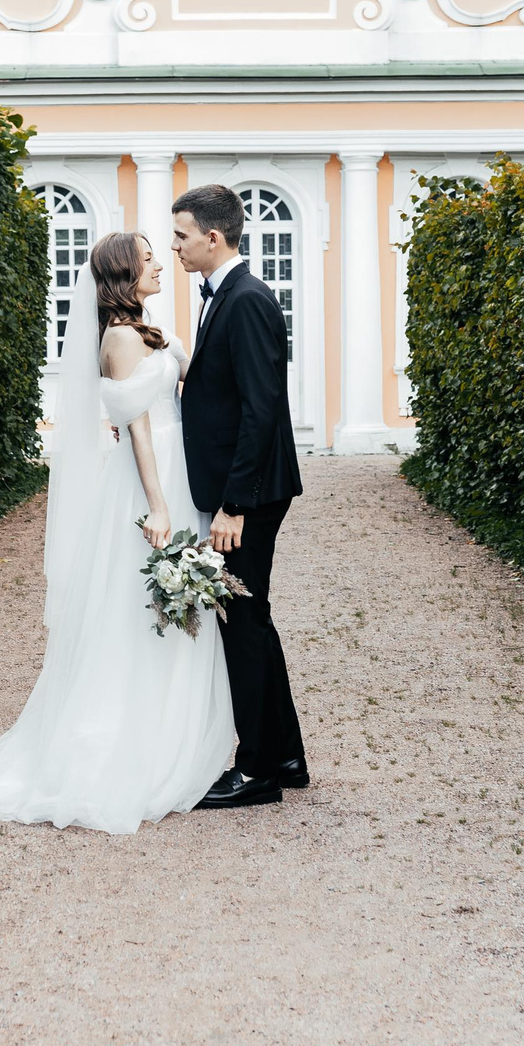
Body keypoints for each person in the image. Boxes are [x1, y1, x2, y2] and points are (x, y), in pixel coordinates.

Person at [0, 231, 234, 833]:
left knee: (170, 606)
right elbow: (137, 426)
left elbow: (191, 381)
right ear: (122, 274)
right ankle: (127, 743)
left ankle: (175, 732)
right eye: (146, 260)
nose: (158, 264)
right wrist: (160, 506)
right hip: (150, 475)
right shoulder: (117, 337)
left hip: (178, 460)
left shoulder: (148, 326)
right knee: (134, 607)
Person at [170, 184, 307, 810]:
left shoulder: (246, 299)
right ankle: (284, 754)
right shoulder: (223, 294)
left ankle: (256, 771)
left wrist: (233, 506)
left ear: (213, 237)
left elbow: (261, 409)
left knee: (240, 620)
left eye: (181, 235)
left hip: (245, 493)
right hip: (238, 486)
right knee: (252, 617)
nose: (175, 245)